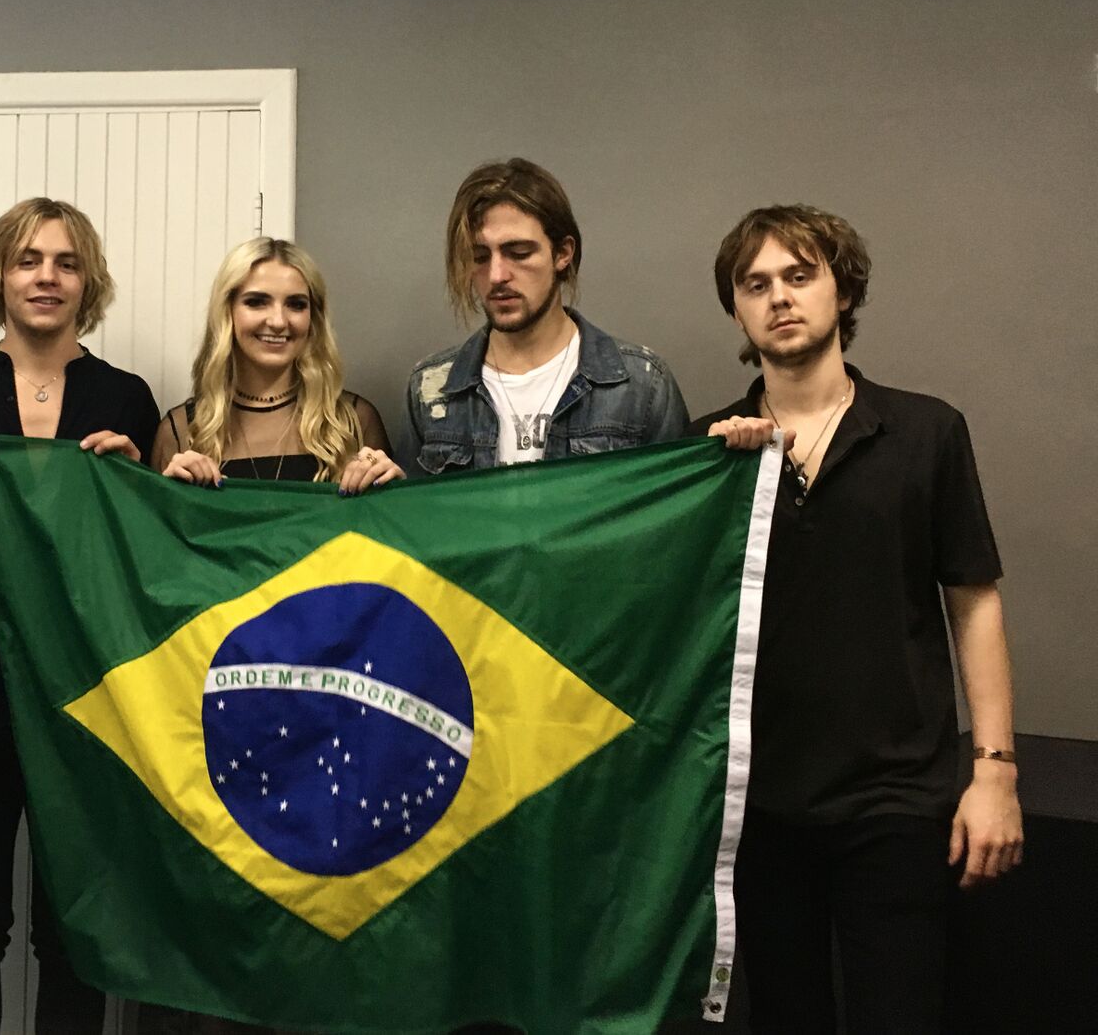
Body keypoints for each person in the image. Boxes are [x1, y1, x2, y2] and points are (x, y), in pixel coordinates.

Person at [694, 204, 1023, 1033]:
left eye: (799, 276)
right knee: (784, 1017)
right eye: (755, 284)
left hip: (897, 800)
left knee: (899, 1014)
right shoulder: (708, 453)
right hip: (759, 805)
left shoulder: (926, 432)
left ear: (843, 291)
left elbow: (974, 602)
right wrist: (720, 484)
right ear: (736, 312)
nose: (779, 297)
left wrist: (995, 774)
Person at [0, 197, 157, 1033]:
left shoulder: (126, 399)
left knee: (72, 936)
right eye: (28, 260)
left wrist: (131, 488)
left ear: (88, 281)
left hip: (87, 701)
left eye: (65, 262)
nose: (46, 277)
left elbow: (144, 565)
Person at [403, 158, 686, 474]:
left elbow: (677, 500)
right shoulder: (430, 388)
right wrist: (380, 486)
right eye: (479, 257)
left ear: (563, 253)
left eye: (519, 253)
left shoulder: (642, 386)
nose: (496, 275)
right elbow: (415, 504)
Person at [152, 236, 402, 491]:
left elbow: (386, 516)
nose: (278, 321)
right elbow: (156, 517)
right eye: (256, 302)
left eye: (296, 305)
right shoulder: (180, 429)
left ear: (313, 317)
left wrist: (391, 485)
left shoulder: (354, 421)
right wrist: (170, 494)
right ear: (227, 311)